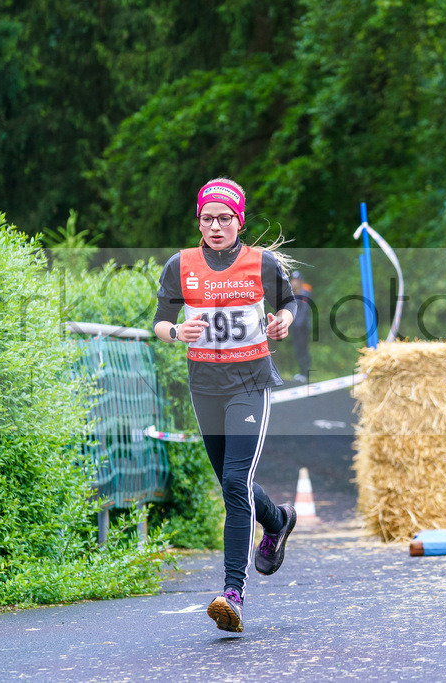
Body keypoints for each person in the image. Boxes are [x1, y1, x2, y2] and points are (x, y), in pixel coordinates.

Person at [153, 178, 297, 634]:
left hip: (250, 381)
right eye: (207, 217)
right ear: (198, 220)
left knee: (236, 480)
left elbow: (290, 304)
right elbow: (160, 321)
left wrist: (281, 324)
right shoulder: (181, 265)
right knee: (232, 483)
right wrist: (177, 333)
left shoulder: (262, 263)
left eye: (225, 218)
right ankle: (276, 521)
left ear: (239, 221)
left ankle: (232, 592)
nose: (215, 226)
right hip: (205, 386)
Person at [288, 270, 313, 383]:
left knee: (303, 348)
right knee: (298, 348)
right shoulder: (292, 292)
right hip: (294, 325)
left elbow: (304, 310)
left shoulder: (305, 291)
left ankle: (306, 373)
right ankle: (302, 371)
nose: (295, 282)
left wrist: (298, 323)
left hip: (302, 326)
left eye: (297, 280)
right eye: (293, 280)